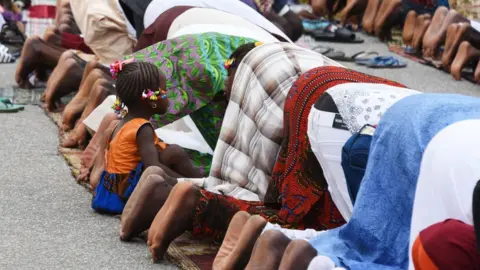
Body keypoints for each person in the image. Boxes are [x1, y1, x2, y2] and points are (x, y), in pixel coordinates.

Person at [141, 45, 341, 262]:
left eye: (229, 78)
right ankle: (203, 204)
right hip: (325, 104)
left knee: (289, 201)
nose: (226, 87)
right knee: (309, 217)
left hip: (315, 93)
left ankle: (188, 195)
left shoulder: (259, 63)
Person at [212, 66, 418, 270]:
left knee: (343, 221)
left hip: (319, 91)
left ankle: (271, 232)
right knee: (354, 230)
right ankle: (300, 248)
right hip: (352, 118)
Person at [91, 60, 201, 215]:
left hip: (109, 191)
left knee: (170, 151)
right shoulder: (142, 128)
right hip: (126, 194)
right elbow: (152, 167)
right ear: (151, 100)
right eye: (164, 91)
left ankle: (202, 182)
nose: (168, 96)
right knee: (174, 153)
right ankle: (202, 185)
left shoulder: (121, 123)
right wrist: (183, 181)